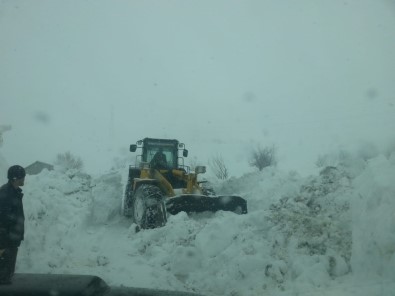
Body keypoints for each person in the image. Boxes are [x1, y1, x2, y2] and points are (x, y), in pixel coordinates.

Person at [0, 165, 26, 285]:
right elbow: (2, 217)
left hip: (12, 238)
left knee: (7, 273)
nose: (24, 179)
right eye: (22, 176)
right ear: (15, 178)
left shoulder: (14, 192)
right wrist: (4, 239)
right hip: (6, 239)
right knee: (3, 275)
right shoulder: (6, 193)